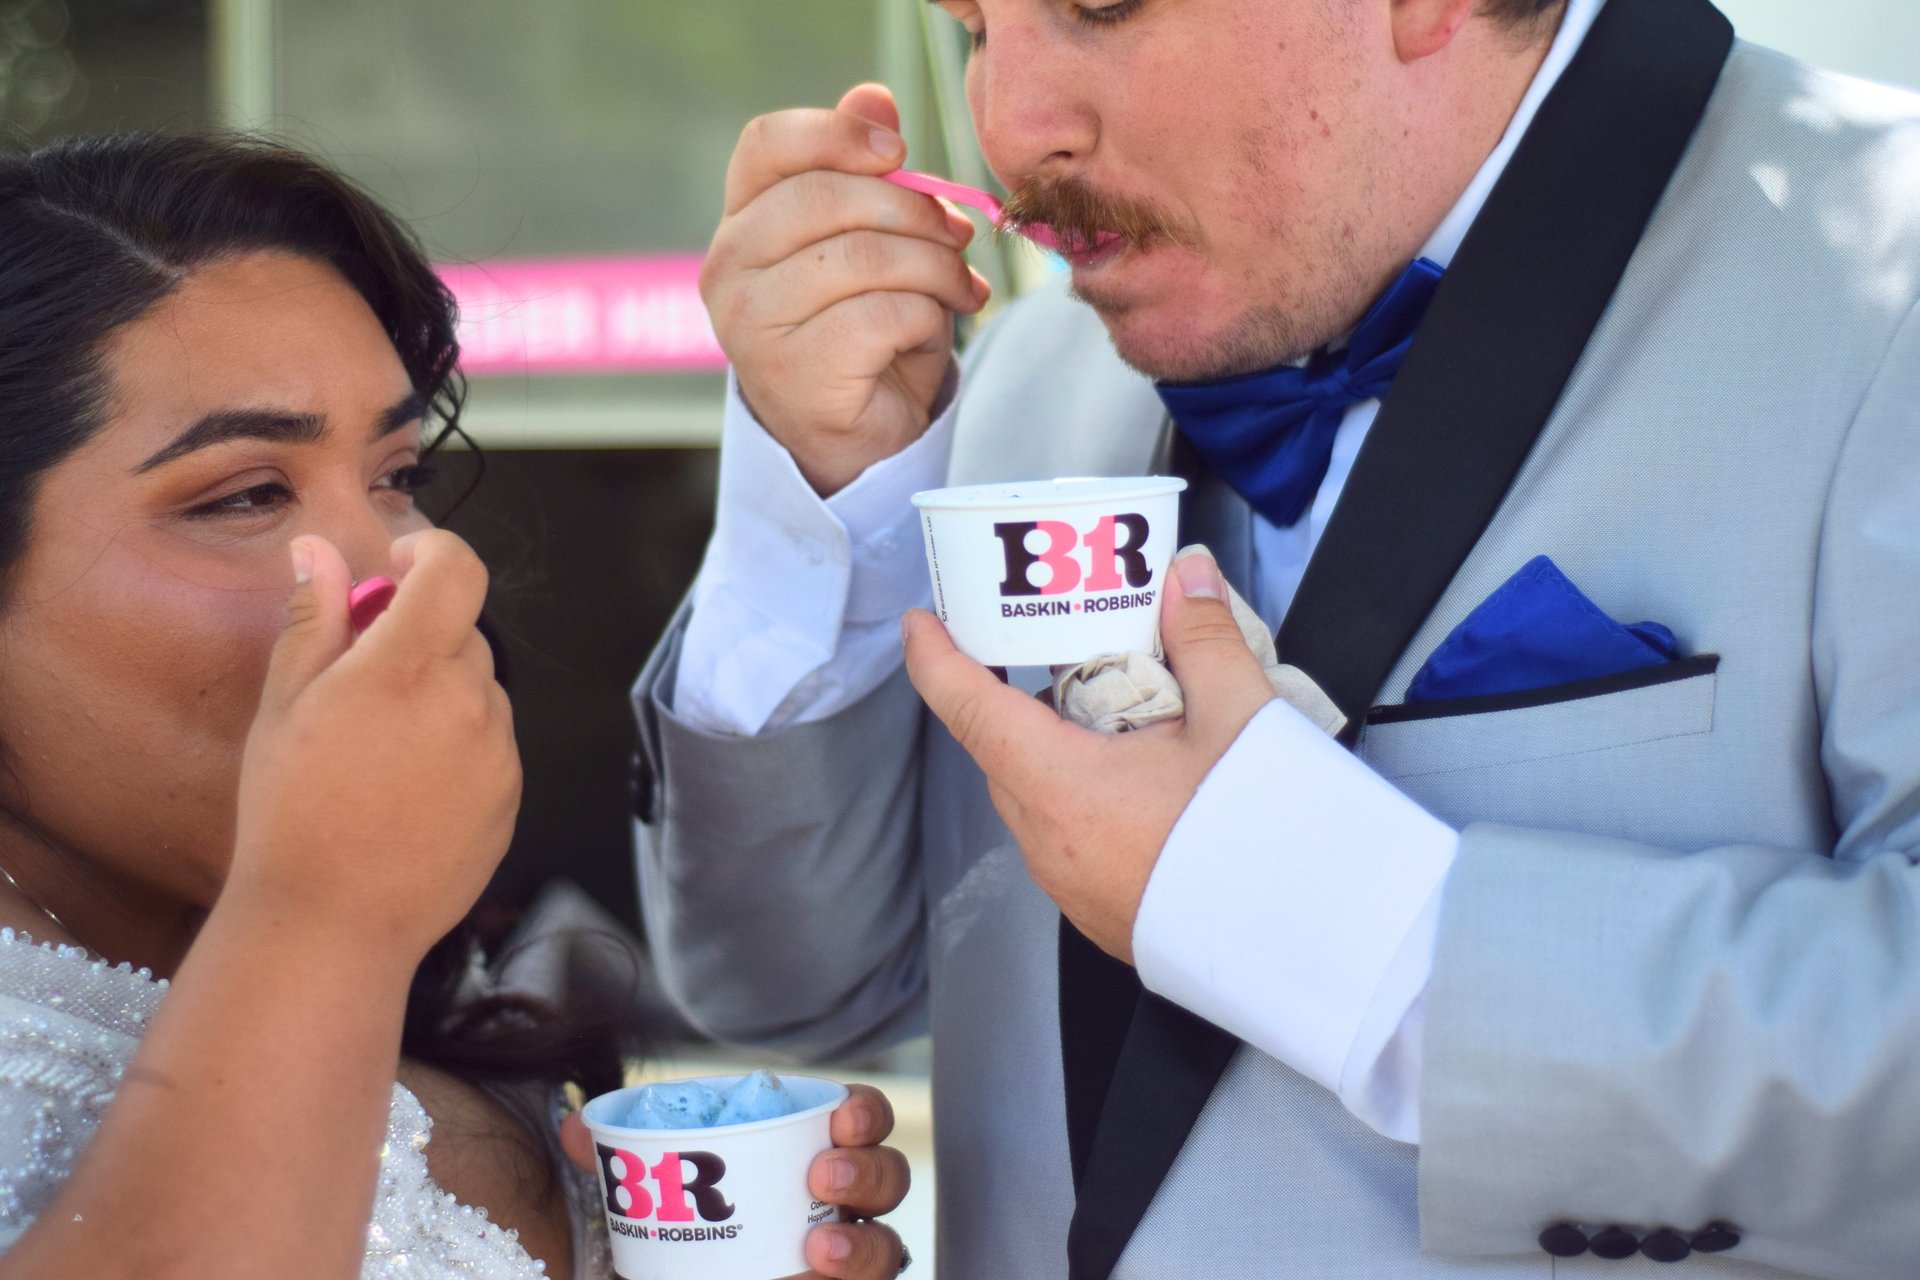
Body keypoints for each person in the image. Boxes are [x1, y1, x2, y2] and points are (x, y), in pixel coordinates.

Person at [634, 0, 1920, 1275]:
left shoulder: (1888, 280)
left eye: (1098, 6)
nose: (1007, 127)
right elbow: (786, 995)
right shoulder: (1020, 379)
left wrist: (1315, 910)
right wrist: (822, 500)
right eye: (974, 23)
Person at [0, 132, 910, 1280]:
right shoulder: (321, 920)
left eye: (396, 475)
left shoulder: (405, 967)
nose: (415, 566)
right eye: (246, 494)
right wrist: (326, 906)